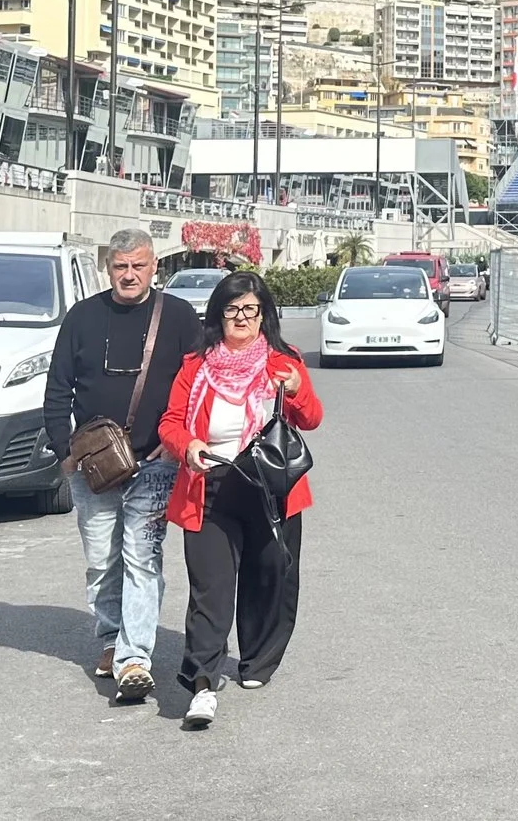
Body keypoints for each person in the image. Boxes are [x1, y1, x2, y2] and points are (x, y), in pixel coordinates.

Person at [42, 228, 205, 703]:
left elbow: (198, 385)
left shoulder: (177, 316)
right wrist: (65, 450)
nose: (129, 274)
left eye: (138, 265)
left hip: (155, 464)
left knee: (141, 557)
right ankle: (113, 638)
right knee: (101, 561)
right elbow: (58, 388)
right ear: (108, 268)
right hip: (94, 465)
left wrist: (176, 444)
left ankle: (134, 658)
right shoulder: (82, 317)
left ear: (155, 267)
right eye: (120, 266)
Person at [159, 271, 322, 728]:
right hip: (210, 487)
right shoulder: (196, 365)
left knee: (269, 577)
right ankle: (203, 684)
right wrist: (187, 445)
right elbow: (171, 422)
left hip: (270, 489)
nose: (242, 318)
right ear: (218, 315)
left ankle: (257, 660)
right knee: (210, 589)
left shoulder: (282, 362)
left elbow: (311, 419)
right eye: (232, 309)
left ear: (264, 315)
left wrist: (296, 390)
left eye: (251, 309)